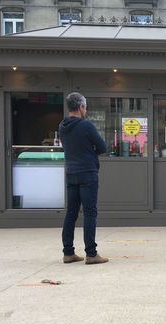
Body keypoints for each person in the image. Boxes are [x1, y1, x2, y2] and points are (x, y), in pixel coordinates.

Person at [59, 92, 108, 265]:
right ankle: (91, 254)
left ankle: (68, 252)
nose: (85, 110)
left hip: (71, 173)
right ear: (80, 107)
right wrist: (89, 152)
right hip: (87, 173)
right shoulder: (86, 125)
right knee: (89, 213)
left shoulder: (62, 126)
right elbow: (102, 147)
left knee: (71, 213)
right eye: (85, 107)